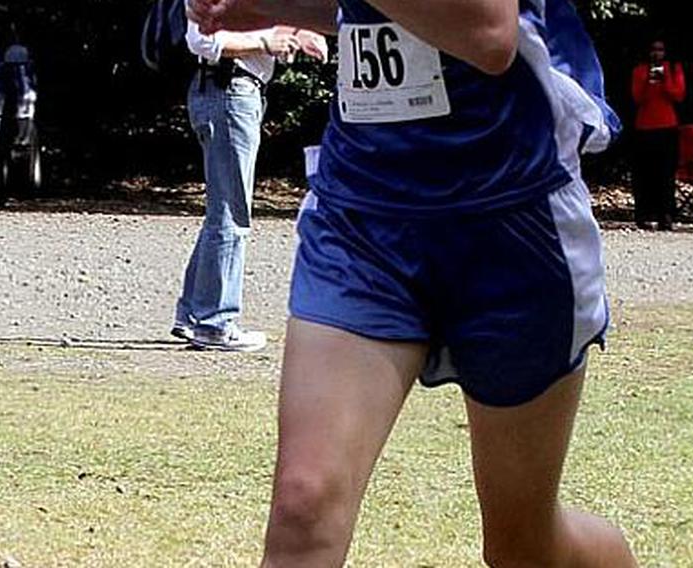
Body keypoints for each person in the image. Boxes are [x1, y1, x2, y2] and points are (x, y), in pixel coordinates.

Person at [190, 0, 638, 566]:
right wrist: (266, 7)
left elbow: (488, 32)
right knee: (305, 504)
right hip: (363, 216)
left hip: (512, 217)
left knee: (523, 546)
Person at [173, 20, 327, 351]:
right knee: (232, 214)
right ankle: (215, 323)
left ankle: (192, 315)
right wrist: (267, 41)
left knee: (223, 210)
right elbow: (202, 41)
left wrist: (296, 37)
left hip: (233, 91)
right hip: (229, 91)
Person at [631, 37, 686, 231]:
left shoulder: (674, 69)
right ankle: (643, 215)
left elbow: (678, 95)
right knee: (644, 174)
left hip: (667, 126)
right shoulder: (639, 70)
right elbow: (637, 97)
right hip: (644, 127)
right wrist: (649, 81)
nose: (657, 53)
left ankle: (666, 215)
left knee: (666, 174)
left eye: (660, 50)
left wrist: (665, 81)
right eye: (653, 49)